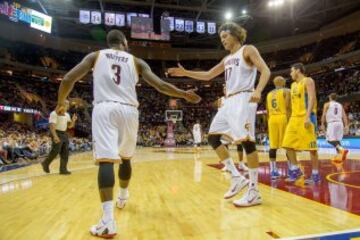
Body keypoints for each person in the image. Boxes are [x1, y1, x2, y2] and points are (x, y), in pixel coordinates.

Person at [55, 29, 200, 238]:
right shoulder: (137, 62)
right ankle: (123, 196)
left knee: (106, 161)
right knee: (125, 158)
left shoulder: (95, 56)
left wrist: (61, 103)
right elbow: (160, 85)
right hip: (130, 111)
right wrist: (183, 94)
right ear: (124, 42)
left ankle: (108, 221)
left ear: (109, 43)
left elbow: (68, 78)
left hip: (105, 109)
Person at [168, 22, 270, 207]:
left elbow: (266, 70)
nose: (222, 40)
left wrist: (259, 90)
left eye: (225, 36)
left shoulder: (248, 50)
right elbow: (208, 75)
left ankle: (254, 191)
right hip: (229, 101)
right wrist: (185, 73)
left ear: (236, 35)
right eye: (221, 38)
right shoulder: (226, 59)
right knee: (213, 137)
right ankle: (236, 177)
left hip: (244, 98)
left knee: (247, 142)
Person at [282, 63, 320, 184]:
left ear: (298, 70)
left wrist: (308, 116)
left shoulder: (308, 81)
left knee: (311, 148)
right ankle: (295, 170)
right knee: (287, 144)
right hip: (294, 118)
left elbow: (312, 98)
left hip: (306, 117)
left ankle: (315, 175)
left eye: (291, 71)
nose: (290, 73)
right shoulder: (293, 85)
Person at [41, 100, 77, 175]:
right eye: (66, 104)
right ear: (61, 105)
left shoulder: (67, 115)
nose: (68, 106)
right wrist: (55, 136)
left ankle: (63, 169)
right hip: (56, 132)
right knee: (56, 150)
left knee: (65, 152)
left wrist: (73, 120)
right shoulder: (54, 113)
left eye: (68, 105)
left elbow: (70, 126)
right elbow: (51, 126)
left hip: (64, 133)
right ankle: (45, 163)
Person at [266, 76, 291, 180]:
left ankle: (273, 171)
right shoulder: (286, 91)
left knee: (273, 146)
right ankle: (292, 169)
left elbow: (267, 111)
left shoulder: (269, 94)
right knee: (288, 145)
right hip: (283, 117)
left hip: (272, 119)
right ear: (283, 82)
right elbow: (288, 107)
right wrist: (290, 120)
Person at [321, 93, 349, 163]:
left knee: (329, 140)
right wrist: (346, 125)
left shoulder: (327, 104)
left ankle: (341, 149)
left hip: (332, 123)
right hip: (340, 123)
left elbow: (323, 115)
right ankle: (339, 157)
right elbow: (344, 116)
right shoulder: (340, 105)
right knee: (337, 140)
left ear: (330, 98)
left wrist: (322, 124)